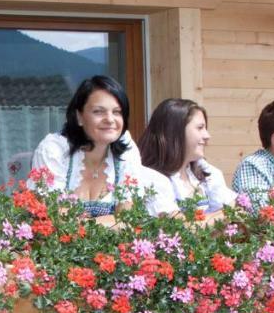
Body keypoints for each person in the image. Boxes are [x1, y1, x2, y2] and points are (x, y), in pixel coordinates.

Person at [29, 75, 176, 218]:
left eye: (117, 112)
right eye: (98, 111)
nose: (110, 119)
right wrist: (110, 223)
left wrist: (86, 224)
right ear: (79, 117)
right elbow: (55, 220)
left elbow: (126, 219)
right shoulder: (53, 149)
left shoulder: (126, 150)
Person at [137, 98, 238, 217]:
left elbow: (235, 212)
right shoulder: (152, 179)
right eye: (200, 128)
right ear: (175, 132)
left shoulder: (205, 173)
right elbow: (180, 228)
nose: (207, 136)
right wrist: (225, 216)